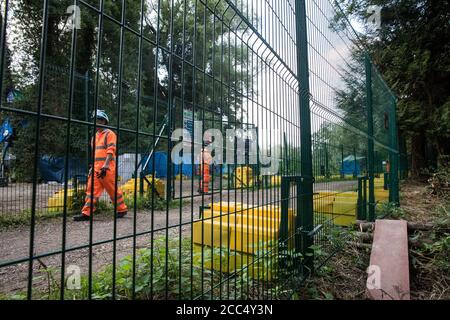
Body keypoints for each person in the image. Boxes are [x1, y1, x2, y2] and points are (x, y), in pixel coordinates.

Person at [73, 110, 128, 221]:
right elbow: (95, 155)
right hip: (97, 168)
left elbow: (111, 151)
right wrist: (93, 167)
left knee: (112, 190)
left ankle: (122, 209)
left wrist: (106, 165)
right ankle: (86, 213)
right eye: (95, 120)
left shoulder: (110, 134)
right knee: (91, 190)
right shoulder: (94, 137)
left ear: (104, 121)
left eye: (98, 120)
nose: (96, 122)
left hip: (107, 168)